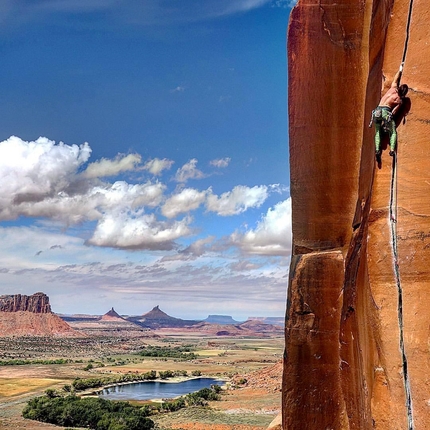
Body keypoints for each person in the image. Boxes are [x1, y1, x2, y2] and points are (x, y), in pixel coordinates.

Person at [371, 66, 409, 161]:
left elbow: (395, 80)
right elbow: (394, 111)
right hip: (386, 112)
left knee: (378, 132)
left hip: (377, 112)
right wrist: (390, 119)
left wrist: (400, 70)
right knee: (392, 132)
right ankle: (392, 150)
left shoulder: (393, 88)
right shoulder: (399, 100)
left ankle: (377, 150)